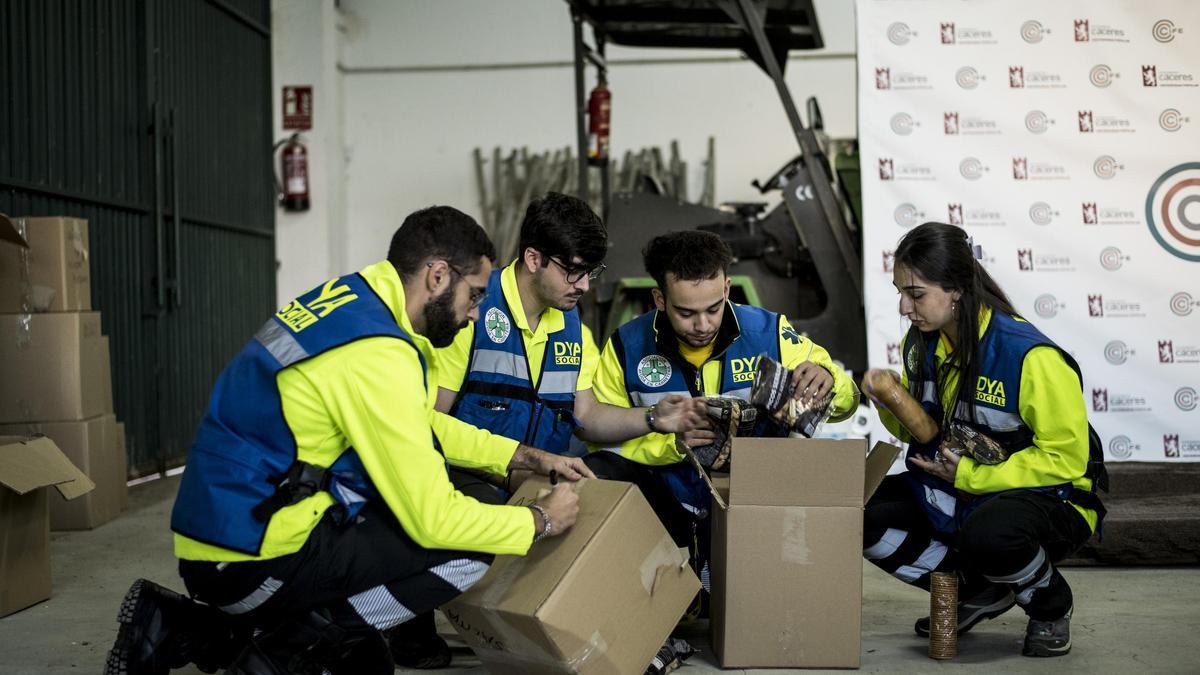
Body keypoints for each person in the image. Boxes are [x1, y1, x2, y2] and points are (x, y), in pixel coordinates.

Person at [104, 206, 587, 675]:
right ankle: (281, 655)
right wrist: (538, 520)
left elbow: (418, 422)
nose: (476, 315)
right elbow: (434, 520)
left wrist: (523, 454)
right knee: (471, 548)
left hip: (220, 536)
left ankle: (180, 627)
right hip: (251, 557)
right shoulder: (378, 353)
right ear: (438, 276)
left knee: (367, 660)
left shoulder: (351, 301)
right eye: (475, 296)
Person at [861, 222, 1107, 658]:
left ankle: (1050, 606)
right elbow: (926, 434)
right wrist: (888, 400)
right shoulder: (920, 344)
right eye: (900, 291)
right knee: (856, 512)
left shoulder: (1029, 356)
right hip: (960, 485)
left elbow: (1068, 460)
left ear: (955, 288)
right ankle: (981, 588)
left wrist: (972, 475)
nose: (904, 306)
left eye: (915, 294)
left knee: (990, 535)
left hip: (1054, 497)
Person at [588, 230, 859, 579]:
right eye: (686, 313)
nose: (703, 325)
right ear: (659, 298)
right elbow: (602, 437)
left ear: (727, 289)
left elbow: (848, 403)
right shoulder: (626, 346)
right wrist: (674, 445)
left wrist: (829, 381)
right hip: (667, 502)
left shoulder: (771, 332)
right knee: (595, 469)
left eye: (714, 308)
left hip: (749, 502)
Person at [435, 192, 705, 462]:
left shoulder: (573, 331)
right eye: (573, 271)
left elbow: (586, 415)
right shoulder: (470, 313)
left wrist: (654, 417)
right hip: (470, 479)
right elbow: (431, 424)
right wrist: (515, 465)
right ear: (533, 259)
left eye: (591, 272)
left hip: (538, 477)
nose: (584, 285)